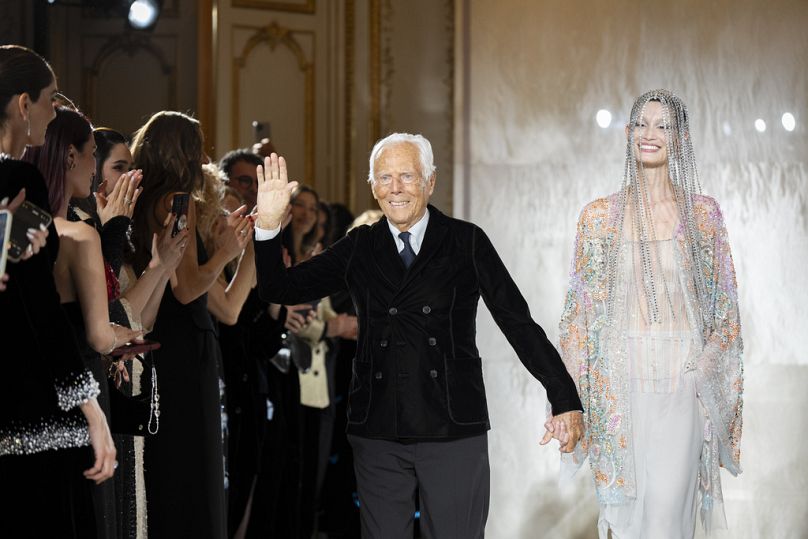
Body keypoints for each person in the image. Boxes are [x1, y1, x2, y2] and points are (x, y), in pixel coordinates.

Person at [253, 133, 584, 538]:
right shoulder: (360, 246)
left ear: (430, 181)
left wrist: (564, 396)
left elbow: (517, 322)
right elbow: (278, 289)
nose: (395, 188)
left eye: (407, 176)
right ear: (372, 186)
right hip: (378, 427)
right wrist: (268, 227)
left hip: (452, 425)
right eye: (385, 177)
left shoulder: (466, 241)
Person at [558, 89, 744, 539]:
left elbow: (726, 313)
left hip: (681, 385)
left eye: (663, 126)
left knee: (665, 519)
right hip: (617, 388)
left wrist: (702, 372)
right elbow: (577, 316)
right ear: (627, 134)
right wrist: (565, 400)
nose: (650, 134)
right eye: (641, 124)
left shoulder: (703, 216)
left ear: (680, 138)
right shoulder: (598, 218)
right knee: (624, 521)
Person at [0, 44, 116, 538]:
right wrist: (91, 408)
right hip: (31, 412)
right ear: (24, 105)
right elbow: (39, 311)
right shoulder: (17, 178)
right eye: (50, 99)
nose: (55, 111)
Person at [129, 111, 245, 539]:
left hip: (170, 340)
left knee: (174, 464)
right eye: (196, 147)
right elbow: (187, 287)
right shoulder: (178, 202)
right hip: (181, 347)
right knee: (192, 466)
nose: (203, 158)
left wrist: (237, 252)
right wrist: (223, 254)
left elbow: (221, 305)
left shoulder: (148, 199)